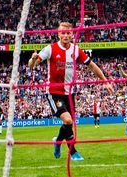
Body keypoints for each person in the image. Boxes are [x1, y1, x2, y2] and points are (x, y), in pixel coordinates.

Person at [29, 22, 114, 161]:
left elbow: (92, 66)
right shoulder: (50, 49)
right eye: (63, 33)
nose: (66, 35)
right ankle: (73, 152)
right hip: (54, 92)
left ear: (72, 34)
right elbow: (31, 66)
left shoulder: (76, 50)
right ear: (58, 34)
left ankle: (58, 141)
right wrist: (33, 59)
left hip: (69, 93)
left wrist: (105, 81)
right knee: (68, 120)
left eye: (68, 33)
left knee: (70, 124)